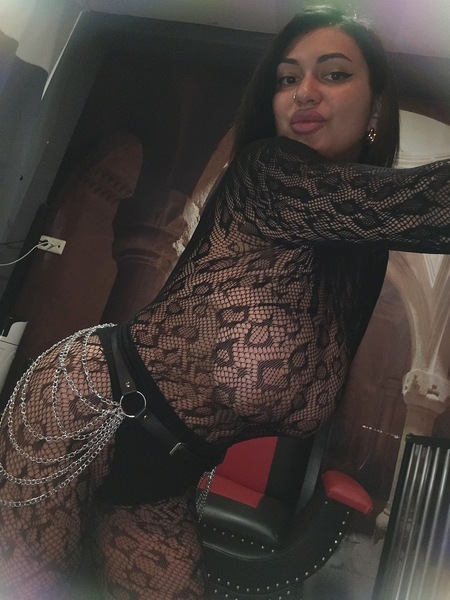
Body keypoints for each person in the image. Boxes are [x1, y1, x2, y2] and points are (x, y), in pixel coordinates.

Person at [1, 5, 449, 599]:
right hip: (84, 405)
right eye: (287, 78)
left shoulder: (358, 256)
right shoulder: (268, 173)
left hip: (168, 472)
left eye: (334, 73)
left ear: (376, 110)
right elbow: (432, 203)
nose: (304, 91)